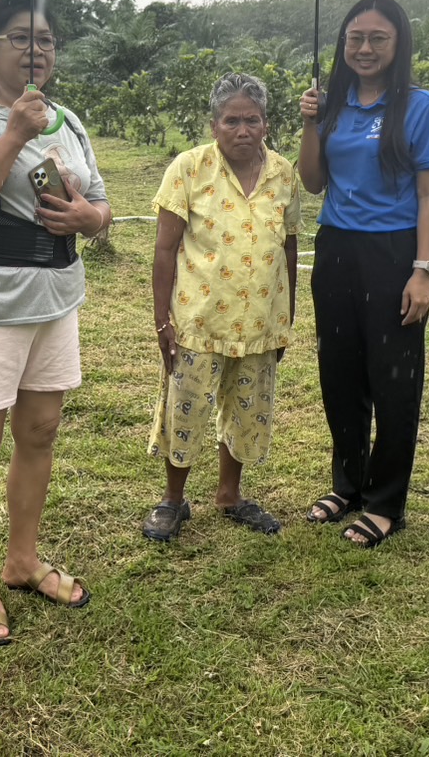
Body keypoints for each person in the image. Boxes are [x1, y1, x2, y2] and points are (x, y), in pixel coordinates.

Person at [0, 0, 112, 645]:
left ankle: (22, 561)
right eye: (20, 37)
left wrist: (92, 219)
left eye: (46, 39)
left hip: (55, 296)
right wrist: (13, 133)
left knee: (39, 432)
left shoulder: (68, 119)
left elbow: (99, 207)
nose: (36, 49)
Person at [298, 0, 429, 548]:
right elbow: (313, 182)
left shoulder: (420, 107)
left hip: (394, 254)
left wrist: (423, 271)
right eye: (354, 37)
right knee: (340, 375)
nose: (364, 48)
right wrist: (310, 122)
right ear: (342, 44)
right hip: (336, 249)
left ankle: (386, 502)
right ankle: (347, 484)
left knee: (394, 380)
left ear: (397, 44)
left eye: (377, 38)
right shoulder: (331, 104)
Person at [144, 73, 301, 542]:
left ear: (266, 125)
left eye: (251, 120)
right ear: (214, 126)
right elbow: (164, 250)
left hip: (259, 323)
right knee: (185, 410)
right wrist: (161, 320)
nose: (242, 130)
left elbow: (290, 247)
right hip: (198, 321)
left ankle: (229, 495)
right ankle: (173, 501)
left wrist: (286, 315)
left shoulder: (283, 173)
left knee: (247, 410)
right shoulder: (189, 169)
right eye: (231, 120)